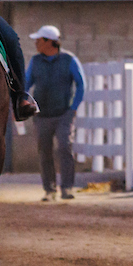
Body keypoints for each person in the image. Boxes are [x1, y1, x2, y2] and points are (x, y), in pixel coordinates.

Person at [25, 25, 86, 200]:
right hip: (41, 115)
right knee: (44, 151)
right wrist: (21, 100)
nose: (36, 43)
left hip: (63, 114)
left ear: (49, 42)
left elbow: (81, 84)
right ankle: (49, 190)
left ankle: (67, 187)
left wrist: (73, 108)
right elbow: (26, 82)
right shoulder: (35, 61)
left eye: (39, 40)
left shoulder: (69, 60)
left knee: (64, 148)